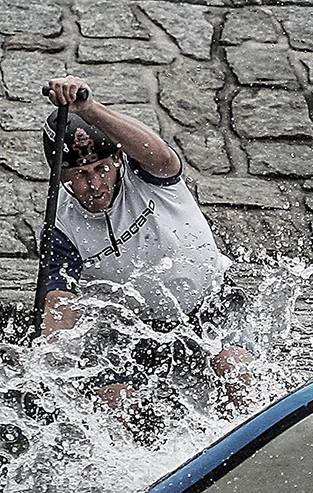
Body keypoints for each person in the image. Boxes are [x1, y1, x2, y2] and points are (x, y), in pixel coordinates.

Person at [41, 76, 254, 436]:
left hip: (209, 302)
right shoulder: (60, 225)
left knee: (235, 370)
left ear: (118, 159)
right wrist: (49, 363)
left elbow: (160, 152)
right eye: (79, 175)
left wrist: (89, 109)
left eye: (101, 168)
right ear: (61, 176)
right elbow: (58, 302)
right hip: (130, 327)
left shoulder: (148, 174)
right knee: (112, 402)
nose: (94, 184)